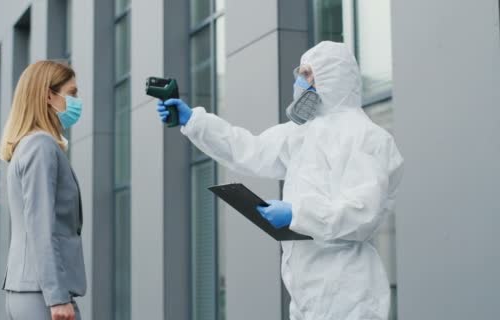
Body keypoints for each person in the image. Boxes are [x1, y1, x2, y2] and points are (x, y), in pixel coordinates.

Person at [156, 41, 404, 320]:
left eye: (307, 73)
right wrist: (194, 121)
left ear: (332, 76)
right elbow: (249, 150)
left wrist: (296, 214)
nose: (299, 81)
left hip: (349, 294)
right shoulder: (302, 134)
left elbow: (362, 213)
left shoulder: (365, 137)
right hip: (305, 293)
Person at [0, 60, 85, 320]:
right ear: (49, 95)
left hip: (30, 293)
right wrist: (57, 297)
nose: (77, 101)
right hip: (45, 296)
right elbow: (40, 226)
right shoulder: (41, 146)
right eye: (72, 93)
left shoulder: (28, 145)